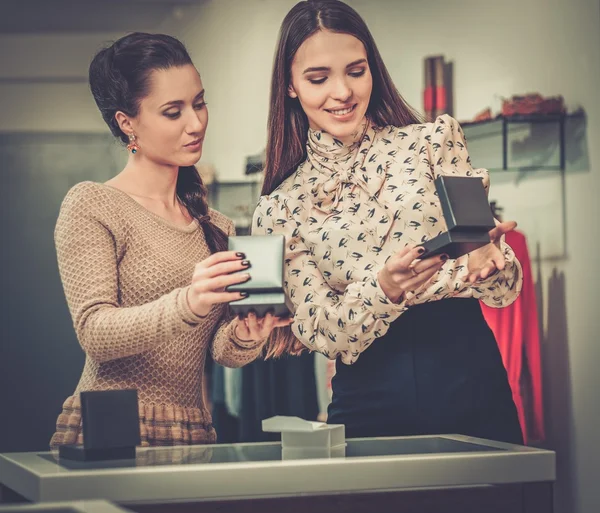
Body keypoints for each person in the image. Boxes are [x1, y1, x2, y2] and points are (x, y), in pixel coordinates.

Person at [252, 0, 524, 443]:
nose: (341, 92)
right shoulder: (281, 207)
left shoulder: (434, 144)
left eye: (356, 71)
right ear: (290, 86)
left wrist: (491, 261)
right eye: (318, 78)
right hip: (369, 395)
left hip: (469, 374)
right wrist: (386, 288)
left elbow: (502, 290)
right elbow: (321, 330)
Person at [50, 32, 291, 448]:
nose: (195, 123)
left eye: (199, 103)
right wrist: (190, 301)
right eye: (172, 111)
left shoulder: (216, 226)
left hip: (191, 429)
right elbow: (94, 331)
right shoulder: (93, 204)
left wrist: (247, 335)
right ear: (127, 122)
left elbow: (219, 349)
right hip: (111, 425)